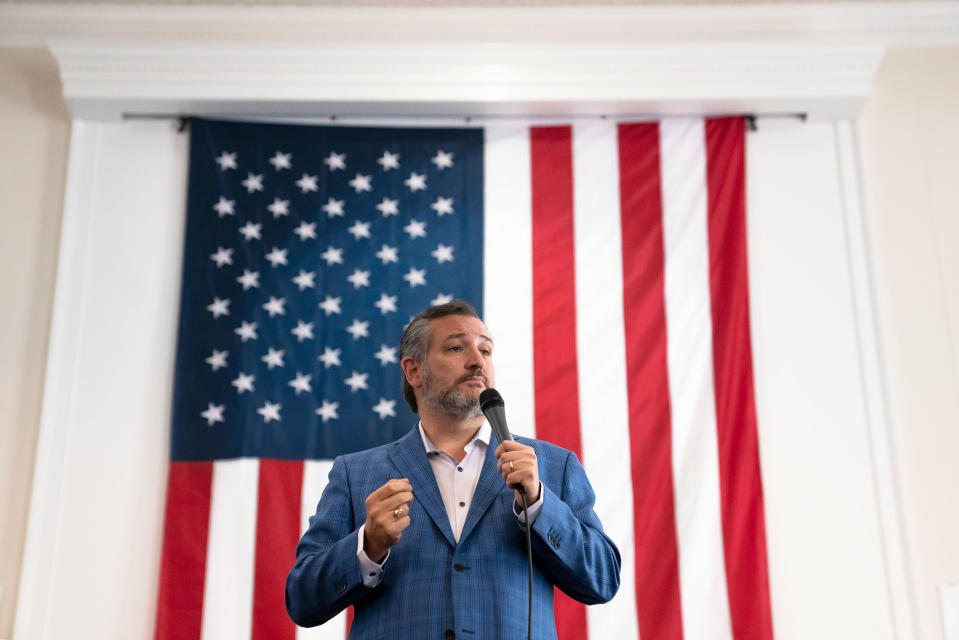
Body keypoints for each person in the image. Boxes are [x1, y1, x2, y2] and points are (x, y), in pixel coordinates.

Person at [286, 301, 621, 639]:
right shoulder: (355, 473)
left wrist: (538, 504)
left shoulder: (553, 466)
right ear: (414, 371)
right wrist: (367, 545)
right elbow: (301, 600)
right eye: (457, 347)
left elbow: (603, 580)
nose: (478, 361)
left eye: (486, 350)